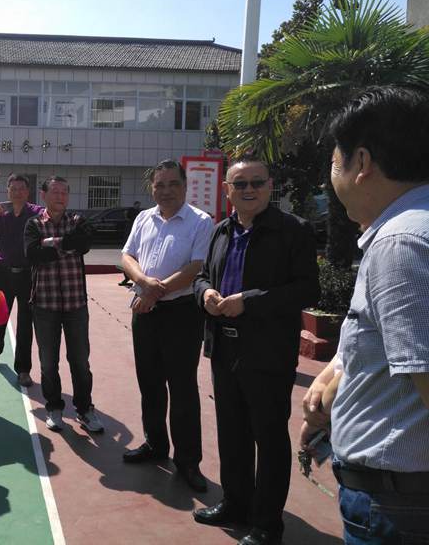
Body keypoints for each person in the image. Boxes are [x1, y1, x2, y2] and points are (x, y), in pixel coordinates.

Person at [302, 86, 429, 544]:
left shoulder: (401, 243)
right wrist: (337, 374)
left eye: (334, 161)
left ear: (361, 162)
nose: (331, 176)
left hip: (397, 506)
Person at [192, 155, 319, 545]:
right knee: (231, 432)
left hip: (267, 352)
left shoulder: (293, 230)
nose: (249, 190)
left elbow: (307, 289)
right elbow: (202, 276)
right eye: (240, 184)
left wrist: (249, 300)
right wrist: (205, 293)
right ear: (227, 190)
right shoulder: (220, 230)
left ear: (269, 186)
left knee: (269, 437)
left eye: (257, 182)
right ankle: (235, 503)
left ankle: (267, 524)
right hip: (223, 347)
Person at [120, 160, 213, 493]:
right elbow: (127, 256)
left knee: (182, 388)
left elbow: (196, 267)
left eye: (173, 184)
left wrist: (153, 293)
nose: (166, 191)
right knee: (150, 383)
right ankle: (155, 444)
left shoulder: (201, 221)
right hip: (144, 312)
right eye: (160, 185)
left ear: (185, 186)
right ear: (152, 188)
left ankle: (188, 461)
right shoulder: (144, 218)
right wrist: (144, 282)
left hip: (181, 314)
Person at [25, 176, 103, 433]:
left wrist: (50, 243)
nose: (60, 196)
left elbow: (83, 244)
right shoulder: (33, 224)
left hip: (75, 303)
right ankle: (54, 407)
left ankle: (84, 409)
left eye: (64, 192)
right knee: (48, 362)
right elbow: (33, 254)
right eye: (55, 192)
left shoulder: (78, 221)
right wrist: (66, 244)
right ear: (43, 195)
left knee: (80, 361)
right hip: (44, 304)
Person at [0, 173, 43, 386]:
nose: (17, 192)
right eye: (13, 188)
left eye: (21, 188)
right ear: (7, 191)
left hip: (29, 275)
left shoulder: (37, 213)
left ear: (28, 192)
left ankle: (23, 369)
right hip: (4, 273)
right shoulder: (1, 214)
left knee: (26, 323)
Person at [118, 200, 142, 287]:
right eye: (137, 205)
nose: (138, 206)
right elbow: (126, 214)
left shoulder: (139, 212)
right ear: (135, 205)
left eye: (139, 205)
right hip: (130, 228)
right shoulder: (131, 210)